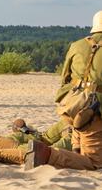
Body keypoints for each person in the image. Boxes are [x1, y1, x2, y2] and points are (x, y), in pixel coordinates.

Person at [23, 10, 102, 170]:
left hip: (72, 104)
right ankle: (47, 155)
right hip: (95, 110)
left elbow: (65, 78)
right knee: (94, 162)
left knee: (76, 144)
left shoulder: (77, 45)